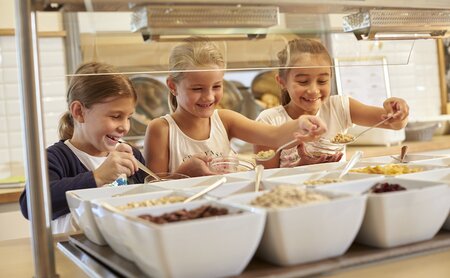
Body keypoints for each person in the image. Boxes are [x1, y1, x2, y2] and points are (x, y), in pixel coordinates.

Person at [18, 62, 210, 234]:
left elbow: (151, 200)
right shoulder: (55, 158)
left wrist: (184, 174)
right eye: (116, 116)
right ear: (79, 112)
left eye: (128, 117)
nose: (125, 126)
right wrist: (97, 177)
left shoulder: (131, 154)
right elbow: (31, 206)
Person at [144, 37, 328, 174]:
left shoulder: (225, 119)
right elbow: (152, 189)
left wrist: (303, 123)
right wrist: (183, 174)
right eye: (197, 88)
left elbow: (274, 135)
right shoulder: (161, 129)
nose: (208, 96)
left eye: (217, 86)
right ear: (172, 86)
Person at [254, 38, 409, 169]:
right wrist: (302, 166)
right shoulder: (269, 121)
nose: (313, 90)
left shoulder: (339, 107)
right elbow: (265, 178)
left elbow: (394, 124)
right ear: (282, 82)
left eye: (322, 81)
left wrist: (398, 111)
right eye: (303, 82)